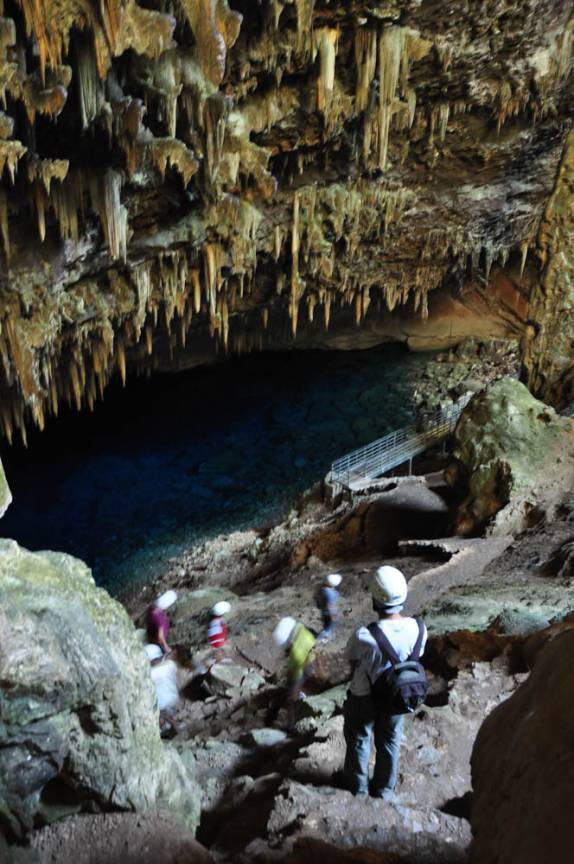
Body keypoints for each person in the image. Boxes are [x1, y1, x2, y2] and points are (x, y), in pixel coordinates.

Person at [343, 565, 427, 800]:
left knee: (359, 739)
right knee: (390, 740)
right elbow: (416, 656)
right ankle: (384, 790)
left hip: (363, 695)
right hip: (396, 695)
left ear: (375, 599)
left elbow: (351, 661)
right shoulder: (419, 628)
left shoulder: (365, 635)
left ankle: (358, 790)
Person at [268, 617, 316, 728]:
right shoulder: (302, 630)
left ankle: (292, 725)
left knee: (292, 695)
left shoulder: (295, 653)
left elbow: (296, 673)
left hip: (305, 666)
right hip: (310, 658)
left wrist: (291, 683)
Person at [145, 643, 180, 737]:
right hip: (173, 700)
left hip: (161, 705)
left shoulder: (150, 673)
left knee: (161, 716)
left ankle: (170, 727)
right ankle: (170, 726)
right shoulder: (170, 665)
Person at [146, 590, 176, 654]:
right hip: (155, 643)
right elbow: (160, 636)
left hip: (150, 634)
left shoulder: (152, 609)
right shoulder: (160, 620)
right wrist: (166, 647)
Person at [315, 573, 342, 641]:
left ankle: (323, 635)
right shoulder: (330, 593)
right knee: (329, 626)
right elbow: (330, 605)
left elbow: (317, 599)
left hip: (323, 610)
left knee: (326, 624)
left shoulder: (322, 589)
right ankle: (322, 638)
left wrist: (319, 605)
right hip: (329, 612)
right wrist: (333, 615)